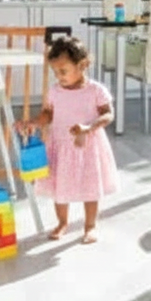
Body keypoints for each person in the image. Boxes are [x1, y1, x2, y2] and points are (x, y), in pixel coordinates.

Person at [34, 37, 118, 244]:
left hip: (87, 146)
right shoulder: (55, 91)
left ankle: (90, 226)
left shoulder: (95, 90)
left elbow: (108, 114)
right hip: (60, 145)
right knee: (59, 186)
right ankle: (62, 222)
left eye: (63, 71)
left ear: (82, 65)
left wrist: (89, 128)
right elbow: (48, 114)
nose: (58, 76)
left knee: (90, 186)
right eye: (55, 72)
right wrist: (33, 122)